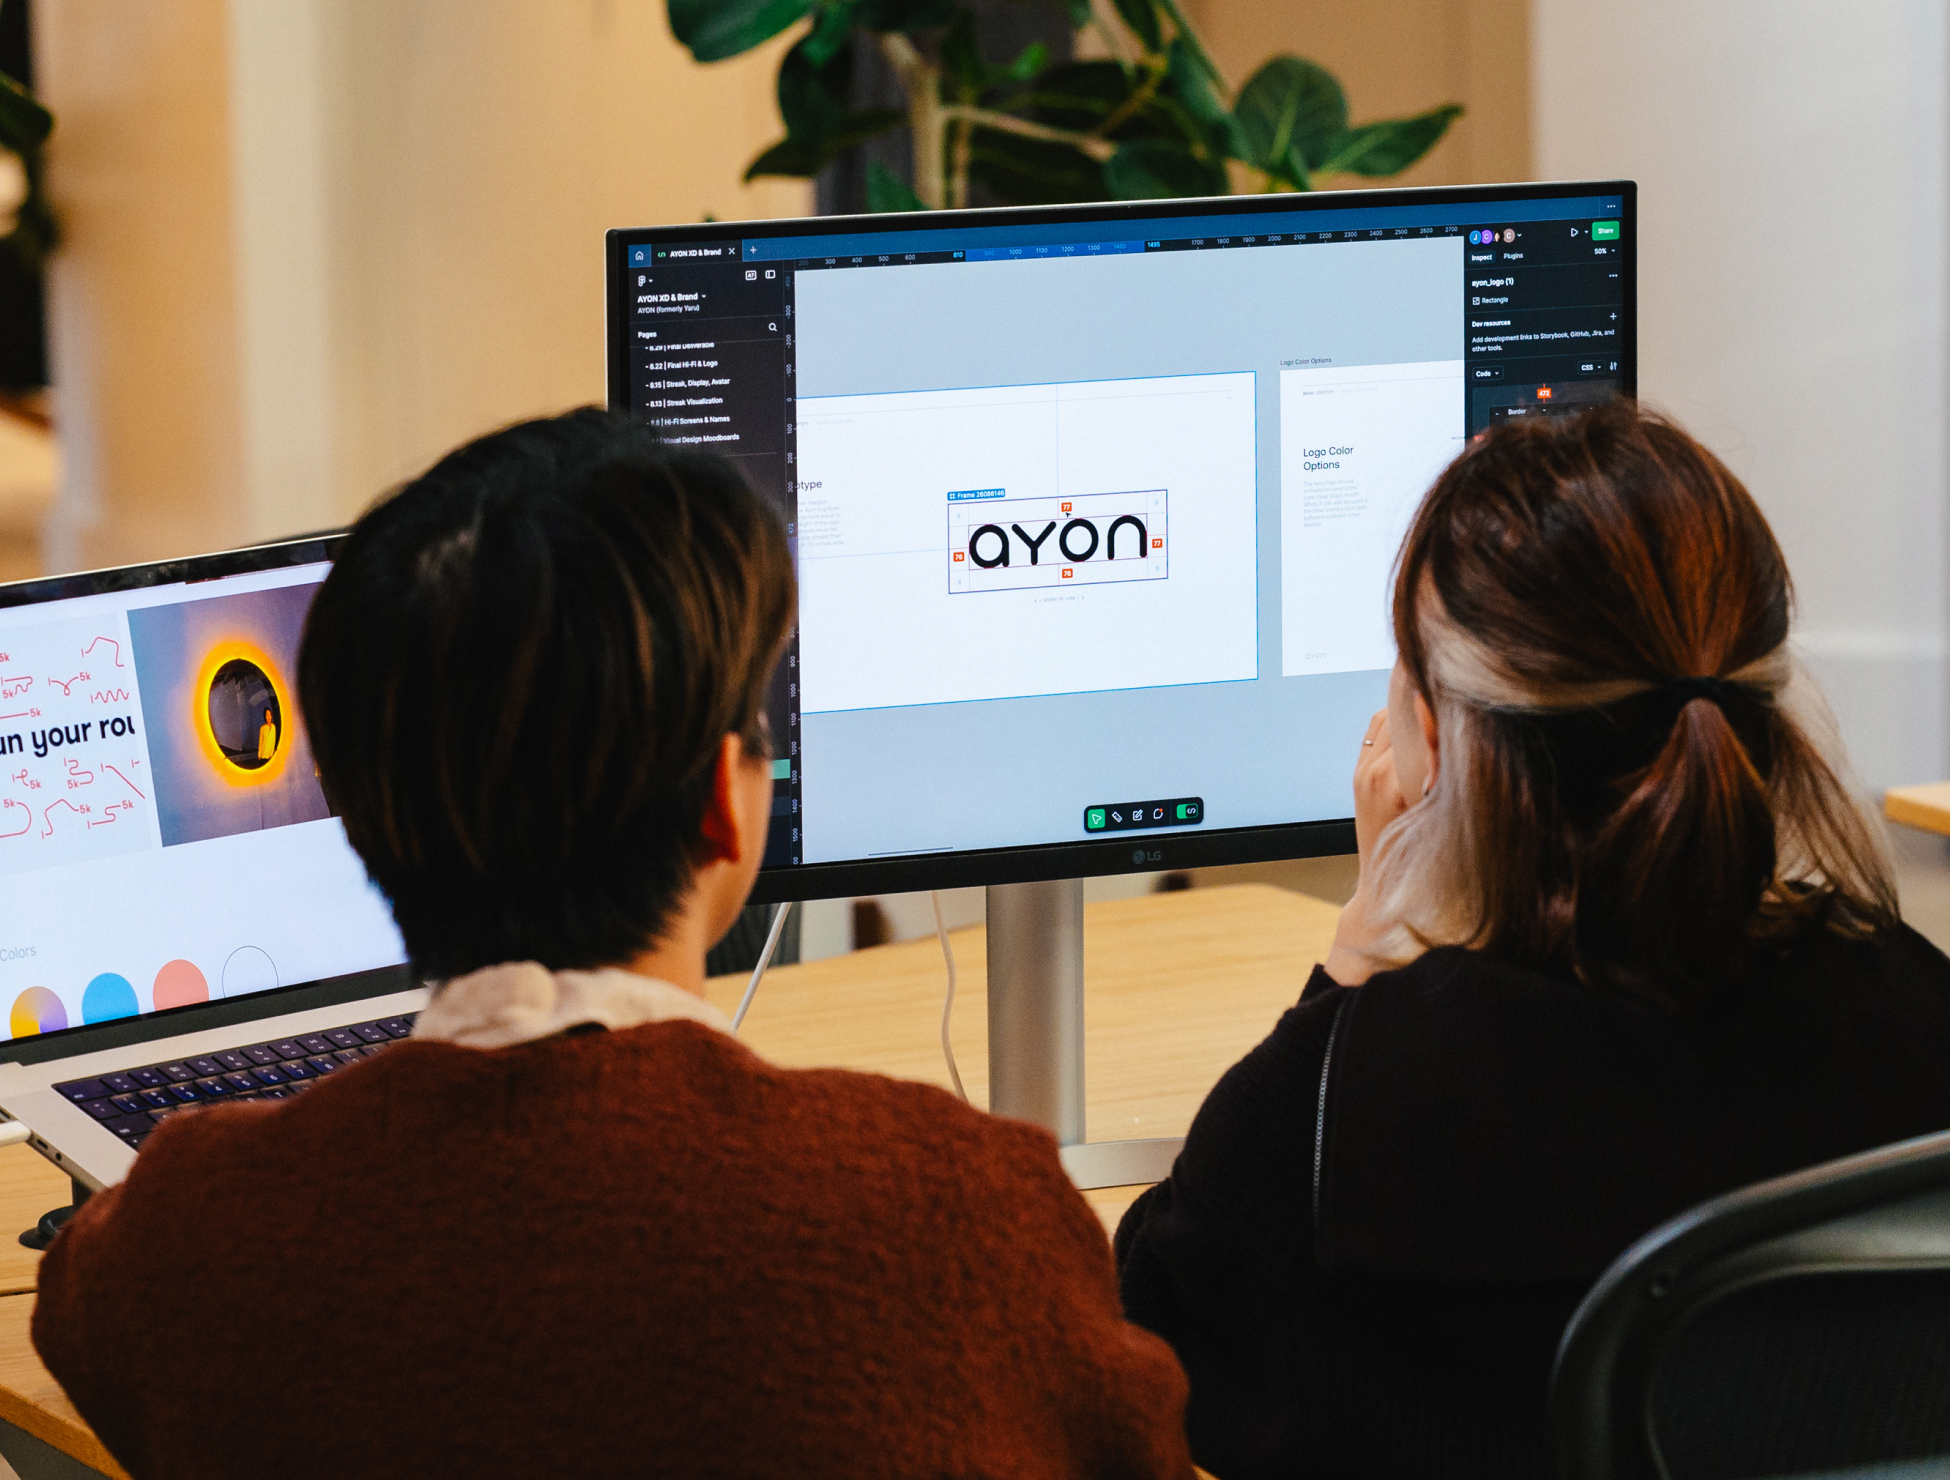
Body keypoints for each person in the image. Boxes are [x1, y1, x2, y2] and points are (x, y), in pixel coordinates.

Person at [34, 410, 1192, 1480]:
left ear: (360, 814)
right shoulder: (958, 1212)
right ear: (725, 804)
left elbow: (87, 1307)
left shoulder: (183, 1237)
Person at [1115, 401, 1950, 1480]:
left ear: (1431, 737)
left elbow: (1150, 1340)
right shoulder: (1914, 1006)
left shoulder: (1337, 1103)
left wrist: (1356, 956)